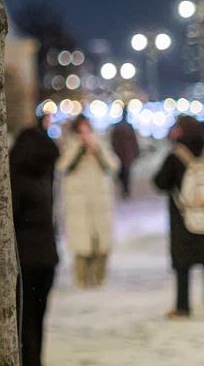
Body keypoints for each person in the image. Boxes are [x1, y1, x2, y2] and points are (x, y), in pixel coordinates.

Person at [153, 115, 204, 319]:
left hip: (183, 219)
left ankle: (183, 307)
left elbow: (160, 183)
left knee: (183, 266)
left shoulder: (176, 155)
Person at [10, 119, 61, 366]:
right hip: (46, 259)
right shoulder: (44, 178)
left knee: (24, 322)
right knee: (37, 321)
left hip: (25, 261)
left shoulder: (15, 180)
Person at [56, 115, 118, 288]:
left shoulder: (100, 142)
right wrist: (80, 149)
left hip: (100, 199)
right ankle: (82, 279)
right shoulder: (70, 145)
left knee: (102, 240)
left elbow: (112, 165)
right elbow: (63, 166)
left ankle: (100, 277)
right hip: (79, 201)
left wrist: (96, 149)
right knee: (81, 241)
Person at [109, 116, 139, 199]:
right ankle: (125, 190)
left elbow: (113, 141)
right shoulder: (127, 127)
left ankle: (125, 190)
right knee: (125, 172)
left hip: (122, 153)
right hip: (125, 154)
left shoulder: (118, 127)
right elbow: (133, 140)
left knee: (124, 172)